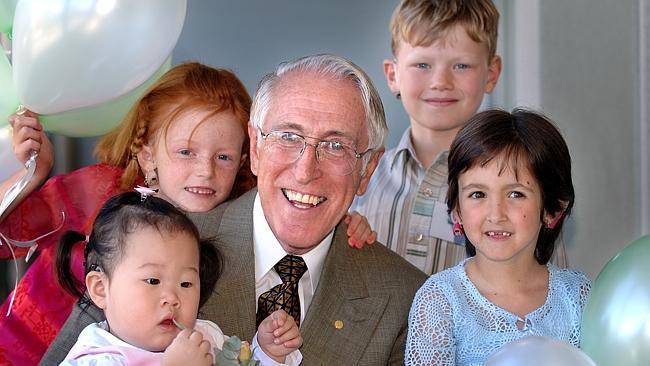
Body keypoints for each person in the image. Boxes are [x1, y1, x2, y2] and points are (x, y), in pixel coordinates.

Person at [44, 54, 429, 365]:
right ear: (256, 148)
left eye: (336, 146)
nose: (305, 170)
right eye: (288, 137)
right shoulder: (153, 251)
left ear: (367, 170)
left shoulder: (404, 297)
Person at [405, 109, 592, 366]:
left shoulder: (577, 296)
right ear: (457, 210)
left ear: (552, 210)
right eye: (478, 194)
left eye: (516, 194)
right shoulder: (440, 300)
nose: (496, 214)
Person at [57, 191, 302, 365]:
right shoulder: (97, 359)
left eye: (186, 283)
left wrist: (268, 353)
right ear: (100, 289)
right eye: (153, 281)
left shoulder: (206, 338)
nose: (173, 298)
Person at [350, 0, 503, 275]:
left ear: (491, 74)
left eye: (462, 66)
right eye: (422, 64)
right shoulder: (360, 179)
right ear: (393, 74)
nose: (440, 81)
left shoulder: (514, 187)